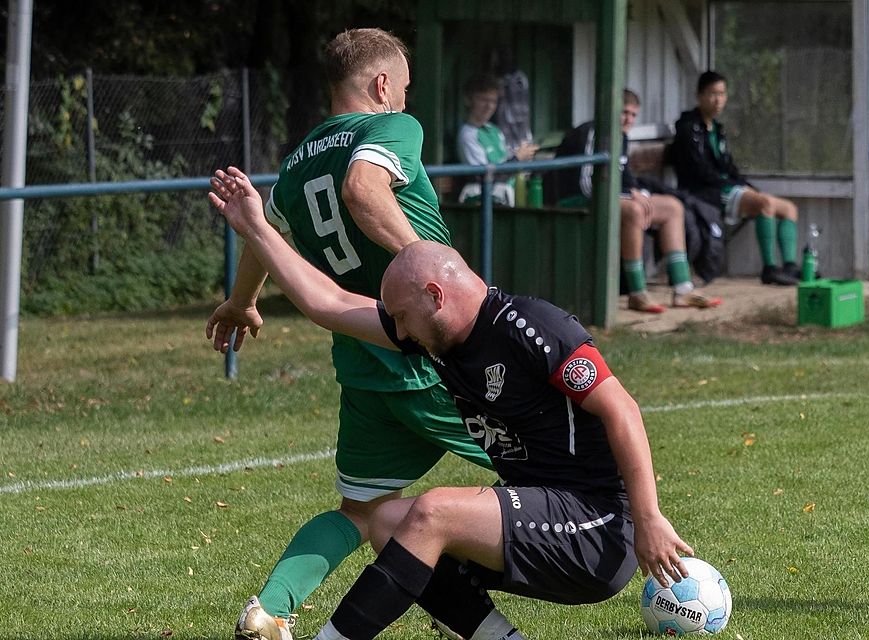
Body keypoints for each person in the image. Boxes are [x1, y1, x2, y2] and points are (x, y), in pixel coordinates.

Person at [208, 166, 695, 640]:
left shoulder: (531, 327)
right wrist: (256, 225)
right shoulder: (434, 337)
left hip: (599, 527)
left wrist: (649, 518)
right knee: (386, 521)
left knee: (434, 510)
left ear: (435, 296)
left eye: (401, 317)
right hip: (544, 516)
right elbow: (329, 304)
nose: (398, 332)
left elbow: (622, 408)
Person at [206, 28, 498, 640]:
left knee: (361, 512)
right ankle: (663, 574)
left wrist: (240, 301)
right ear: (383, 85)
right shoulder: (391, 128)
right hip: (431, 353)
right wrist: (444, 274)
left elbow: (266, 238)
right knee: (550, 472)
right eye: (405, 90)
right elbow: (363, 189)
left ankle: (271, 609)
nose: (406, 101)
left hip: (364, 365)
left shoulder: (294, 166)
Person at [553, 89, 721, 313]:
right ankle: (638, 292)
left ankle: (683, 289)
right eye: (624, 112)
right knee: (634, 211)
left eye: (633, 115)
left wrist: (638, 192)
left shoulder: (620, 136)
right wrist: (630, 197)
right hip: (572, 202)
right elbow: (584, 186)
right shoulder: (593, 132)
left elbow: (625, 178)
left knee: (673, 207)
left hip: (606, 201)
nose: (628, 119)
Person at [671, 70, 802, 286]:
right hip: (703, 192)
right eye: (712, 93)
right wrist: (736, 186)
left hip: (724, 187)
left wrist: (746, 185)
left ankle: (789, 266)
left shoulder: (717, 129)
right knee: (764, 204)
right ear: (699, 95)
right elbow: (700, 171)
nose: (717, 100)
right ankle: (769, 268)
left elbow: (728, 166)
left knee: (789, 209)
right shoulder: (688, 127)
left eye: (722, 94)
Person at [456, 74, 539, 206]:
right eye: (483, 100)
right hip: (486, 202)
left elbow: (503, 162)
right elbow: (485, 177)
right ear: (468, 100)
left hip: (508, 197)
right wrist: (517, 159)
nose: (489, 106)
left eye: (493, 101)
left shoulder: (495, 130)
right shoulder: (468, 134)